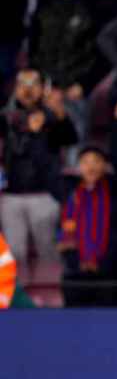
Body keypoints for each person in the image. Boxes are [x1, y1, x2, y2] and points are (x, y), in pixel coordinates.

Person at [1, 69, 78, 267]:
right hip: (12, 196)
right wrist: (30, 131)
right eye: (22, 84)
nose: (27, 90)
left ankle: (53, 296)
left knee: (48, 252)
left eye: (33, 84)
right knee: (14, 254)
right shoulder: (5, 117)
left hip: (45, 193)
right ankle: (15, 297)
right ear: (15, 89)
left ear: (43, 88)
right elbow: (15, 149)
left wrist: (60, 114)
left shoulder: (53, 116)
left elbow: (71, 138)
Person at [58, 146, 117, 307]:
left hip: (108, 272)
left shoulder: (116, 194)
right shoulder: (70, 195)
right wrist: (75, 262)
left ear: (105, 166)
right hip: (75, 272)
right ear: (78, 167)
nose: (91, 167)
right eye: (85, 162)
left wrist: (104, 263)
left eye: (96, 161)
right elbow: (63, 231)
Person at [29, 0, 98, 97]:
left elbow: (99, 54)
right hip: (46, 85)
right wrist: (40, 81)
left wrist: (84, 84)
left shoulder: (95, 7)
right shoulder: (44, 5)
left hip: (79, 87)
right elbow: (33, 46)